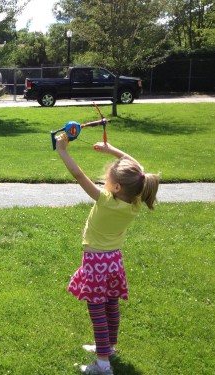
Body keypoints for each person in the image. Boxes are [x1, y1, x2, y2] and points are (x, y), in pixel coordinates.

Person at [55, 135, 160, 375]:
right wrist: (112, 151)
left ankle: (102, 363)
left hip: (95, 262)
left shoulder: (105, 201)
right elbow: (138, 170)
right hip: (114, 261)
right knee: (111, 305)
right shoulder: (135, 203)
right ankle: (108, 347)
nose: (104, 181)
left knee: (97, 310)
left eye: (108, 179)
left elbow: (79, 176)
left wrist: (62, 150)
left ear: (117, 187)